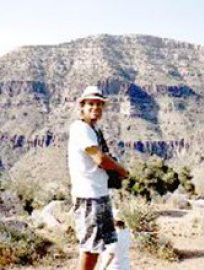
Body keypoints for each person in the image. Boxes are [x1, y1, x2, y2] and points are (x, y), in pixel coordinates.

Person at [68, 85, 126, 270]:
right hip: (88, 195)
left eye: (99, 105)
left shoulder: (92, 130)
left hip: (97, 193)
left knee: (97, 246)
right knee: (90, 248)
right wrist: (120, 169)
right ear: (82, 107)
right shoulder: (81, 129)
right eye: (91, 104)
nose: (95, 108)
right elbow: (100, 158)